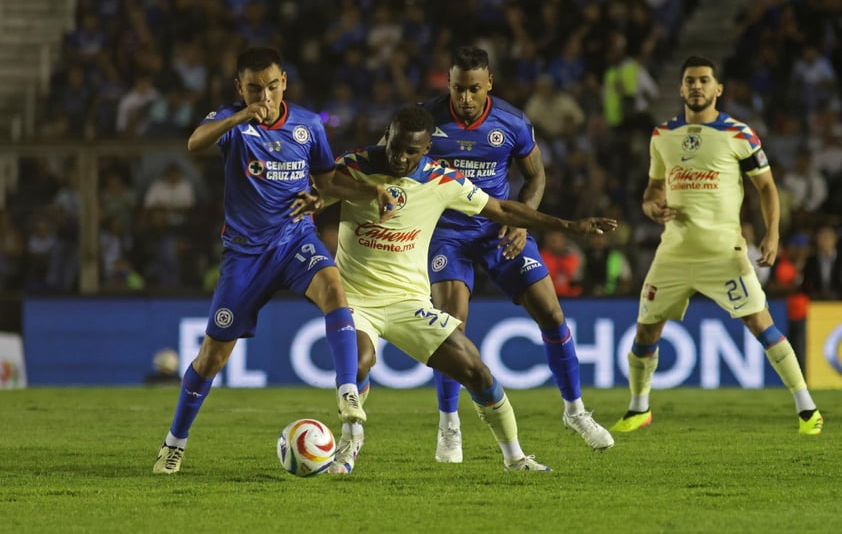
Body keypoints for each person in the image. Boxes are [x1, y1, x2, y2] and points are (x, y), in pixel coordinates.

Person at [308, 104, 617, 474]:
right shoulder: (354, 166)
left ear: (426, 150)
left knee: (477, 371)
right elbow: (315, 193)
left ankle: (515, 457)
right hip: (355, 299)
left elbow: (502, 209)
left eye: (412, 151)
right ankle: (349, 444)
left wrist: (569, 226)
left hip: (409, 302)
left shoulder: (443, 180)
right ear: (387, 136)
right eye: (396, 146)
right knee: (359, 360)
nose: (401, 157)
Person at [153, 47, 397, 474]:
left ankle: (347, 392)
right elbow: (194, 142)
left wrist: (366, 192)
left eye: (270, 86)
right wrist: (238, 117)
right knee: (212, 356)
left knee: (334, 289)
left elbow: (327, 183)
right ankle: (175, 442)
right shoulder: (231, 121)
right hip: (245, 255)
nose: (263, 96)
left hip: (294, 240)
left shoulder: (307, 125)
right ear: (239, 88)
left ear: (284, 81)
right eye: (253, 89)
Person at [418, 46, 615, 462]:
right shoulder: (425, 120)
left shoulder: (511, 121)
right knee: (450, 327)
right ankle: (449, 424)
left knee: (552, 313)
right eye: (457, 89)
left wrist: (523, 222)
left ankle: (575, 412)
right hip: (446, 234)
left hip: (500, 229)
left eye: (473, 89)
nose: (465, 98)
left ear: (489, 83)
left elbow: (536, 176)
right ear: (448, 84)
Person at [611, 55, 823, 436]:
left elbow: (768, 188)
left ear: (718, 89)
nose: (696, 86)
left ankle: (806, 407)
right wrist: (649, 204)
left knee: (761, 324)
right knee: (645, 331)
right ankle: (639, 408)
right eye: (690, 80)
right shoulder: (662, 135)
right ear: (680, 88)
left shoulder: (740, 134)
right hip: (673, 253)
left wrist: (772, 234)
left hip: (724, 254)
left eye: (704, 80)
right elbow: (653, 188)